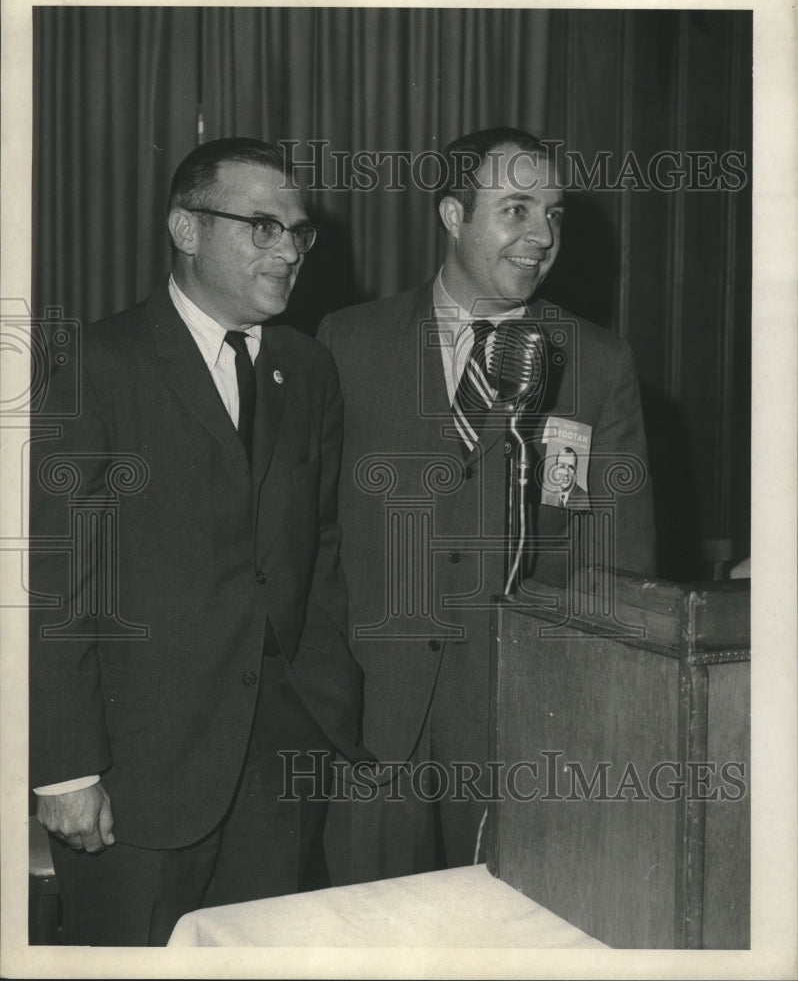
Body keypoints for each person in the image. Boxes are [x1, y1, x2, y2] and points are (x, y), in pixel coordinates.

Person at [29, 137, 365, 946]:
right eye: (262, 227)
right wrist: (67, 770)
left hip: (278, 772)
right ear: (185, 229)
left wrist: (325, 709)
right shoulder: (96, 366)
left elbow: (314, 551)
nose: (288, 250)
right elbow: (55, 581)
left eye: (296, 231)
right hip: (136, 784)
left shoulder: (308, 369)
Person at [317, 126, 656, 884]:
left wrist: (583, 724)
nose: (542, 236)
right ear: (452, 216)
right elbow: (310, 536)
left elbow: (617, 564)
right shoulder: (347, 343)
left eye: (555, 214)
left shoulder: (597, 363)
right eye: (516, 209)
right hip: (372, 726)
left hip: (521, 731)